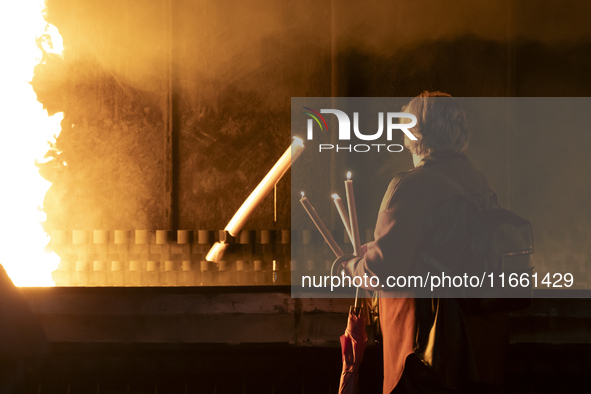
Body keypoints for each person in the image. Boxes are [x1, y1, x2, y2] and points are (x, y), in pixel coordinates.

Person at [337, 92, 510, 394]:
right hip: (478, 346)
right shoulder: (482, 182)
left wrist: (350, 265)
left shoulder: (410, 185)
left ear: (413, 133)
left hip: (426, 352)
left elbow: (384, 271)